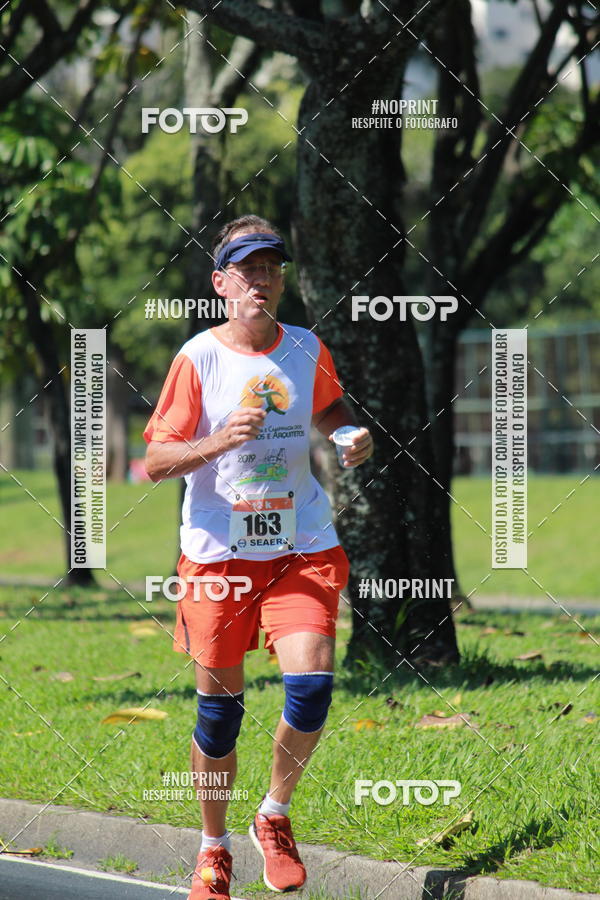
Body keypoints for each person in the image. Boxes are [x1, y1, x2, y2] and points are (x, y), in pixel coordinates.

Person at [144, 215, 374, 899]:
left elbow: (328, 409)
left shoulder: (305, 347)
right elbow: (156, 460)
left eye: (272, 268)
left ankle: (273, 814)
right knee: (220, 716)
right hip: (218, 556)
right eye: (247, 269)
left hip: (299, 544)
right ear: (221, 284)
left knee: (312, 685)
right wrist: (216, 442)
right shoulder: (198, 359)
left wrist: (348, 433)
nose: (262, 280)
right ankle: (213, 849)